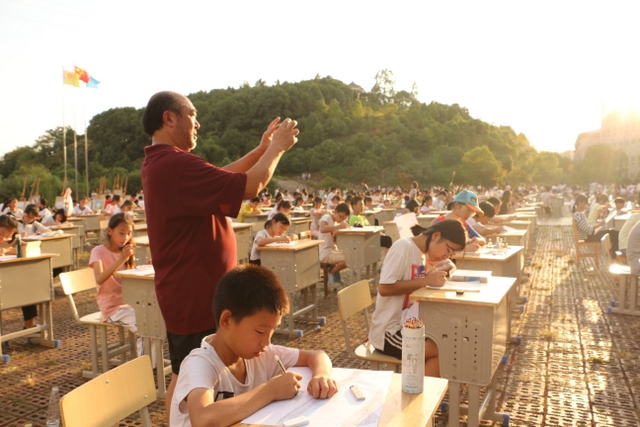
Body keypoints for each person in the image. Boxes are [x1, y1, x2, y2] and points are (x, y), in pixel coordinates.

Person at [141, 91, 299, 423]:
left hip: (189, 291)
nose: (197, 122)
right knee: (192, 378)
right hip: (196, 295)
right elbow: (249, 186)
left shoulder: (166, 163)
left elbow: (223, 177)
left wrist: (261, 149)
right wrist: (277, 148)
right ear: (169, 118)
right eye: (192, 114)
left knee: (182, 372)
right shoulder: (174, 163)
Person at [170, 265, 337, 427]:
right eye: (260, 331)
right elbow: (203, 420)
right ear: (226, 320)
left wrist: (321, 375)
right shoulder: (199, 364)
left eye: (273, 330)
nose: (267, 342)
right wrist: (270, 391)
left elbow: (317, 355)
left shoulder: (261, 354)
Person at [368, 220, 467, 377]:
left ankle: (421, 389)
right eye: (448, 250)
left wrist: (433, 276)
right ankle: (415, 390)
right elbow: (384, 288)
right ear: (436, 236)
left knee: (450, 341)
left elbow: (419, 285)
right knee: (446, 348)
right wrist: (426, 281)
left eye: (450, 254)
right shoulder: (403, 247)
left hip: (409, 325)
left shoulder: (422, 255)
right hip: (389, 332)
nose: (446, 256)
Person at [89, 213, 143, 356]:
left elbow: (131, 280)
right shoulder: (98, 252)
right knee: (146, 328)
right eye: (121, 233)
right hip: (112, 307)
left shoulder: (126, 251)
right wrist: (121, 260)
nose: (125, 237)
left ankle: (151, 363)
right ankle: (147, 365)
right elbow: (99, 279)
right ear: (109, 231)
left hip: (130, 303)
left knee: (155, 322)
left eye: (129, 233)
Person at [0, 215, 37, 330]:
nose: (3, 238)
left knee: (27, 288)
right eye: (1, 233)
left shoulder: (5, 242)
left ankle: (30, 327)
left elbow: (7, 250)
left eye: (7, 236)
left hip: (5, 281)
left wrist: (17, 249)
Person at [318, 203, 351, 288]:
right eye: (341, 217)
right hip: (325, 253)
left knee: (351, 255)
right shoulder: (326, 217)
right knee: (349, 258)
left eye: (344, 219)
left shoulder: (336, 222)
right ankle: (332, 273)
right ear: (335, 212)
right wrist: (339, 227)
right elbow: (322, 229)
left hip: (332, 250)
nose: (341, 220)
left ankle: (335, 273)